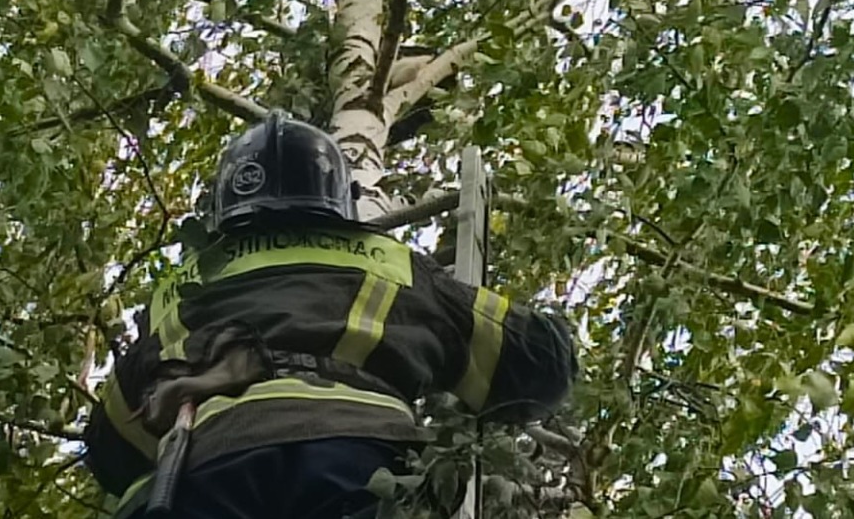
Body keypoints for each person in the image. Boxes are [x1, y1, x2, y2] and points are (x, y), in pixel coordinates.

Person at [82, 111, 578, 519]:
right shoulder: (395, 266)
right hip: (360, 461)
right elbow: (540, 363)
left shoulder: (178, 289)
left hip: (203, 472)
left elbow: (110, 447)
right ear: (344, 201)